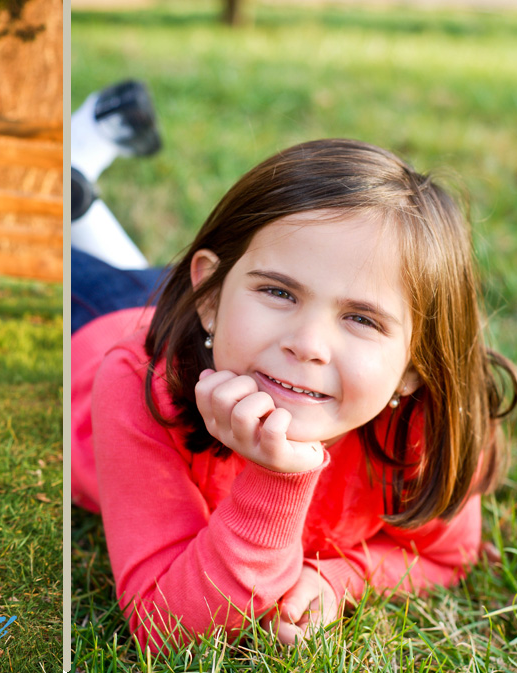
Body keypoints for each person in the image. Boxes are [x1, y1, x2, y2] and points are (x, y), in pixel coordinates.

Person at [71, 138, 516, 652]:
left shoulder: (427, 427)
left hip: (224, 323)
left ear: (415, 367)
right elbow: (166, 628)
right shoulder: (138, 385)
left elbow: (447, 557)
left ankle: (86, 192)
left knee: (146, 270)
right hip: (104, 324)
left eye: (361, 319)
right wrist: (275, 479)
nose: (307, 345)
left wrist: (339, 579)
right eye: (280, 291)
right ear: (210, 297)